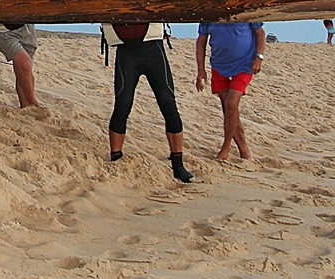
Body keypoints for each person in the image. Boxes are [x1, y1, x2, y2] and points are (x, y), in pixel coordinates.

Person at [103, 23, 191, 182]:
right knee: (123, 104)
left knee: (168, 103)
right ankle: (115, 157)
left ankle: (178, 163)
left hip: (153, 48)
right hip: (126, 51)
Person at [195, 20, 265, 162]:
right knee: (228, 109)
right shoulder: (209, 14)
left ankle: (226, 148)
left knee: (231, 104)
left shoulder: (244, 9)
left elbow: (260, 33)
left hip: (244, 64)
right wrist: (201, 70)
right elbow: (201, 41)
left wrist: (259, 57)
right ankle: (244, 150)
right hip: (219, 64)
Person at [0, 24, 44, 110]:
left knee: (24, 68)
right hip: (0, 30)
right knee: (25, 63)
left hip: (26, 26)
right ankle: (33, 105)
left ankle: (25, 106)